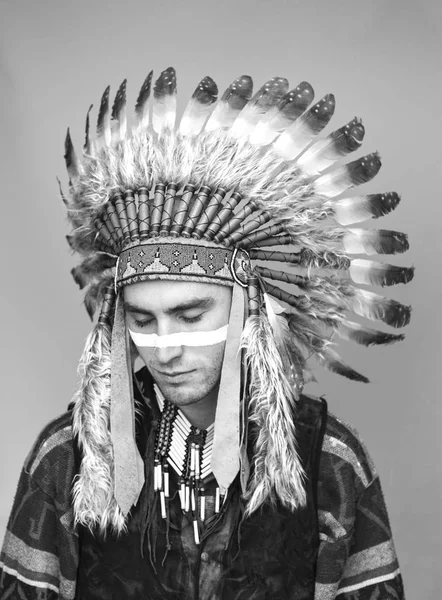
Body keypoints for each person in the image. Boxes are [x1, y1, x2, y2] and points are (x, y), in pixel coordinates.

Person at [0, 68, 413, 600]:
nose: (165, 349)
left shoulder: (329, 461)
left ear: (250, 311)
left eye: (191, 316)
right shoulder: (71, 458)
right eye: (143, 321)